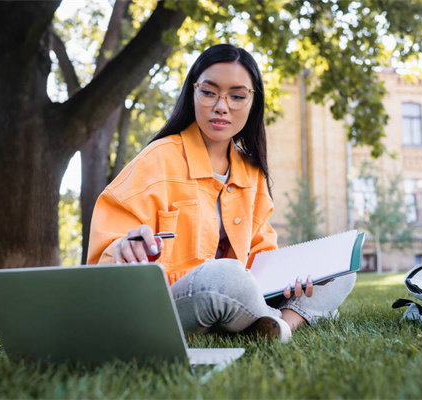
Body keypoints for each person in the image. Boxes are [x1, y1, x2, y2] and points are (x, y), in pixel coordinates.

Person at [87, 44, 356, 342]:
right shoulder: (156, 160)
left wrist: (289, 282)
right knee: (223, 275)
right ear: (193, 93)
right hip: (175, 300)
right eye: (209, 92)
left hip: (242, 292)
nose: (221, 106)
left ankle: (278, 325)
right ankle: (273, 321)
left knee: (340, 269)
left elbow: (262, 258)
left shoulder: (251, 171)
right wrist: (124, 247)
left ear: (253, 102)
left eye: (237, 96)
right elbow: (105, 253)